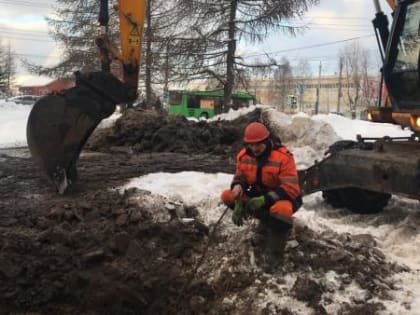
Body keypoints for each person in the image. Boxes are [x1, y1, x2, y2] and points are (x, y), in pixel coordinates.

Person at [220, 121, 302, 269]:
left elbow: (291, 188)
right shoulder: (243, 156)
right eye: (251, 145)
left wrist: (266, 199)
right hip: (258, 195)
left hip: (282, 197)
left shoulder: (283, 157)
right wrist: (238, 190)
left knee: (281, 211)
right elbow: (240, 177)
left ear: (266, 141)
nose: (255, 148)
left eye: (258, 144)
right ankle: (264, 223)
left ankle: (276, 254)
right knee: (227, 196)